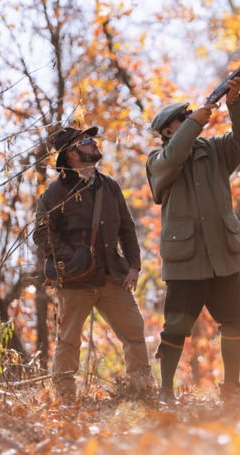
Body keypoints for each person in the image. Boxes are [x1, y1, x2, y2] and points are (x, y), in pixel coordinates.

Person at [145, 75, 240, 403]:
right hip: (186, 259)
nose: (191, 117)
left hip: (222, 252)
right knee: (176, 328)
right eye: (183, 118)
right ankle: (165, 391)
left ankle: (232, 386)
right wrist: (193, 124)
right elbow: (174, 157)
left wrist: (235, 102)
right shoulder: (158, 160)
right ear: (168, 130)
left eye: (189, 115)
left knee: (234, 322)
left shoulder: (215, 149)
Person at [33, 126, 154, 402]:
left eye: (91, 139)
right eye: (86, 141)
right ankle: (65, 399)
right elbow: (41, 233)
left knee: (134, 332)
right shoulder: (53, 193)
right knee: (68, 340)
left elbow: (127, 228)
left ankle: (142, 391)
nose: (94, 144)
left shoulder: (109, 186)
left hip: (113, 276)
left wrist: (134, 266)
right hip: (76, 280)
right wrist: (72, 257)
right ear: (71, 154)